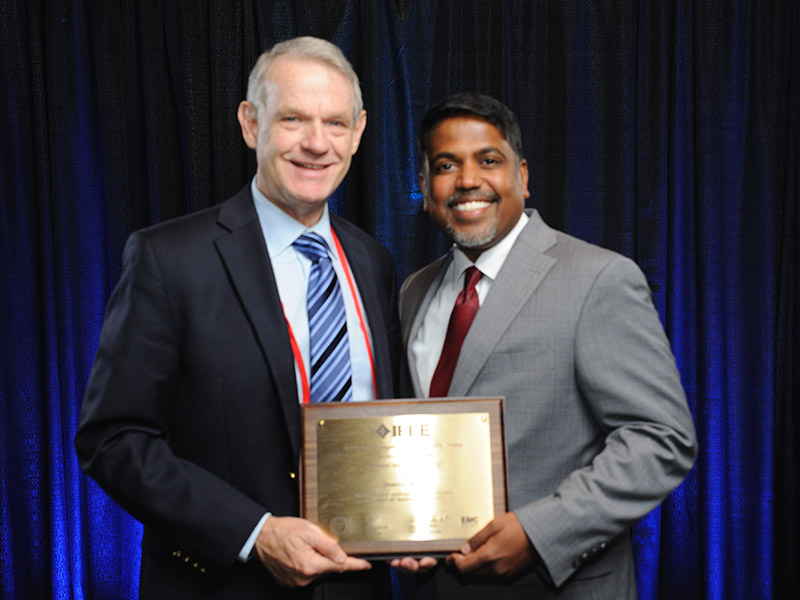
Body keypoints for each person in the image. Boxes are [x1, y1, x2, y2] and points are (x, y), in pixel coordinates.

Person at [75, 37, 398, 599]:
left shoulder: (373, 262)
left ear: (360, 131)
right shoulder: (168, 259)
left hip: (359, 586)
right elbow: (113, 438)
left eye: (336, 123)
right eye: (294, 119)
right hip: (228, 584)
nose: (317, 144)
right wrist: (255, 534)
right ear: (252, 124)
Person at [392, 92, 697, 599]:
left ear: (523, 177)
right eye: (447, 165)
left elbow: (661, 438)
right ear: (425, 189)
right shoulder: (414, 291)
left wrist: (540, 531)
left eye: (489, 160)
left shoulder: (598, 278)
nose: (468, 180)